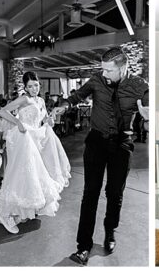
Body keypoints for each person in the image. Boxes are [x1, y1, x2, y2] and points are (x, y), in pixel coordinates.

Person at [66, 47, 149, 265]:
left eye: (109, 71)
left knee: (114, 193)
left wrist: (149, 113)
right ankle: (83, 246)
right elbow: (78, 95)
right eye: (103, 69)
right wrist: (65, 104)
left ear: (123, 68)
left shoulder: (139, 86)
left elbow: (151, 106)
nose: (105, 74)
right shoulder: (96, 80)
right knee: (90, 193)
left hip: (121, 144)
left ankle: (110, 230)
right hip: (96, 142)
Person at [0, 72, 71, 234]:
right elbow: (3, 111)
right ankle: (6, 214)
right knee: (20, 175)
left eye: (35, 85)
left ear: (39, 84)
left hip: (36, 138)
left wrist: (49, 119)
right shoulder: (24, 99)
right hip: (23, 139)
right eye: (30, 86)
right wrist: (17, 123)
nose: (33, 88)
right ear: (25, 87)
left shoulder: (40, 100)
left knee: (33, 176)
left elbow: (42, 121)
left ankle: (25, 209)